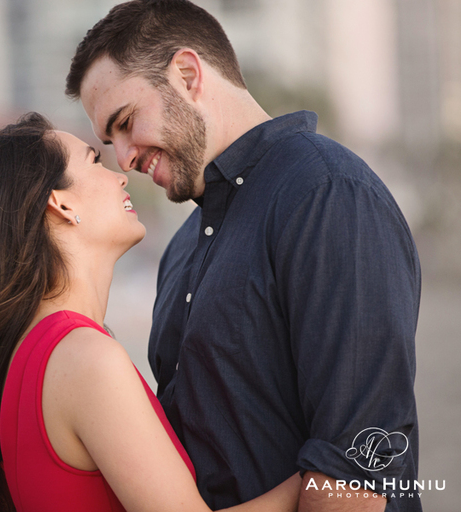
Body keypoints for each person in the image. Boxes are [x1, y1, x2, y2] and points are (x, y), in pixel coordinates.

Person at [65, 1, 421, 511]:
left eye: (126, 122)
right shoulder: (183, 247)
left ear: (187, 75)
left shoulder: (327, 194)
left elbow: (356, 468)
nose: (125, 159)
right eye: (108, 141)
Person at [0, 112, 302, 511]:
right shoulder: (85, 359)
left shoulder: (30, 354)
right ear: (61, 203)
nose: (121, 174)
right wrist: (326, 472)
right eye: (94, 161)